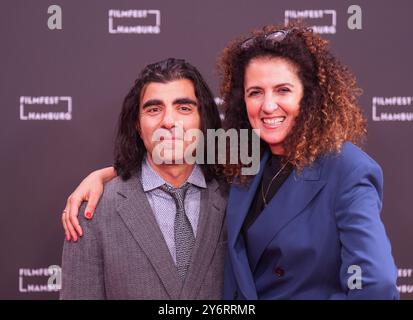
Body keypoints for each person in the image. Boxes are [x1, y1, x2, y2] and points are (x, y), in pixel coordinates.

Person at [61, 24, 399, 299]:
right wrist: (104, 177)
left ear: (309, 95)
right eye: (255, 92)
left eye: (283, 90)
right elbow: (165, 153)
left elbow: (378, 285)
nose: (268, 106)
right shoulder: (243, 157)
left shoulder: (347, 168)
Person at [60, 58, 228, 299]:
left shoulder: (236, 198)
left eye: (183, 108)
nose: (168, 121)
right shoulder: (93, 212)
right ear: (138, 125)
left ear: (203, 119)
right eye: (154, 109)